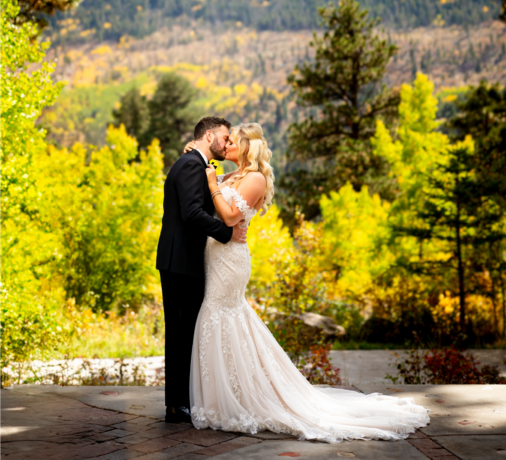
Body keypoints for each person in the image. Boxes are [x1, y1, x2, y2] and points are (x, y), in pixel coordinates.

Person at [188, 122, 429, 440]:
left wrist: (211, 183)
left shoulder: (255, 178)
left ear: (247, 147)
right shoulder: (229, 175)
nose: (227, 143)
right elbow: (208, 202)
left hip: (231, 261)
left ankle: (237, 397)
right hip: (214, 256)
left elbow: (231, 216)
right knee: (224, 319)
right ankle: (229, 391)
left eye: (233, 140)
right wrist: (199, 159)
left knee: (218, 314)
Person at [157, 116, 248, 424]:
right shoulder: (192, 165)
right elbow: (193, 212)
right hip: (181, 261)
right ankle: (177, 405)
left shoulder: (195, 164)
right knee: (182, 333)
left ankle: (181, 402)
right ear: (209, 136)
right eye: (224, 137)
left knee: (184, 333)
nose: (227, 143)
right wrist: (226, 234)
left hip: (182, 260)